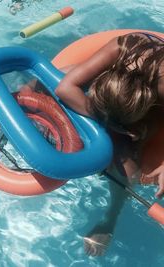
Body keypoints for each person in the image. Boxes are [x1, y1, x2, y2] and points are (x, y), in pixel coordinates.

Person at [54, 32, 164, 256]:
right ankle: (0, 109)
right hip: (119, 86)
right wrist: (109, 123)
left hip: (153, 107)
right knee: (56, 75)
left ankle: (111, 217)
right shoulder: (123, 47)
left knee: (127, 167)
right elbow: (65, 88)